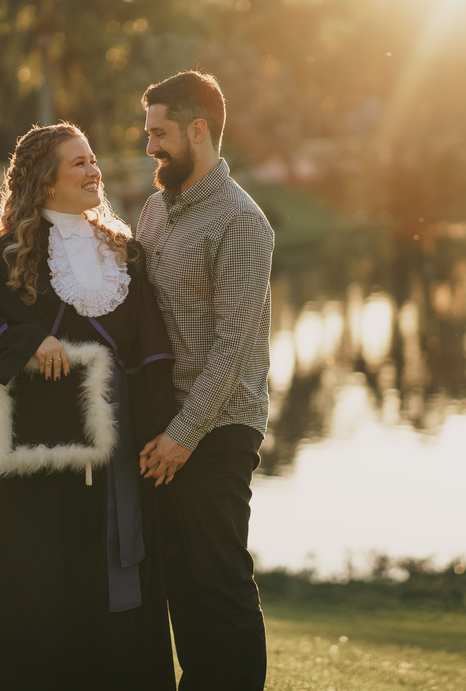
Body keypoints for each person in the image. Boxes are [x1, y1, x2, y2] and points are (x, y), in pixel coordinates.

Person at [0, 123, 177, 691]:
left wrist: (163, 435)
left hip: (119, 456)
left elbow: (151, 356)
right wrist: (26, 343)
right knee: (43, 592)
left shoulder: (127, 255)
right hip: (38, 465)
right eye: (78, 164)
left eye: (93, 160)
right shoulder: (3, 260)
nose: (94, 171)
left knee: (118, 592)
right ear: (45, 183)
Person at [136, 71, 274, 690]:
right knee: (180, 584)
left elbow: (235, 343)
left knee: (219, 581)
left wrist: (185, 435)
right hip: (165, 427)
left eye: (159, 133)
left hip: (218, 427)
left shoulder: (243, 220)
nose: (150, 147)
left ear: (198, 130)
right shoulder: (153, 209)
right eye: (147, 134)